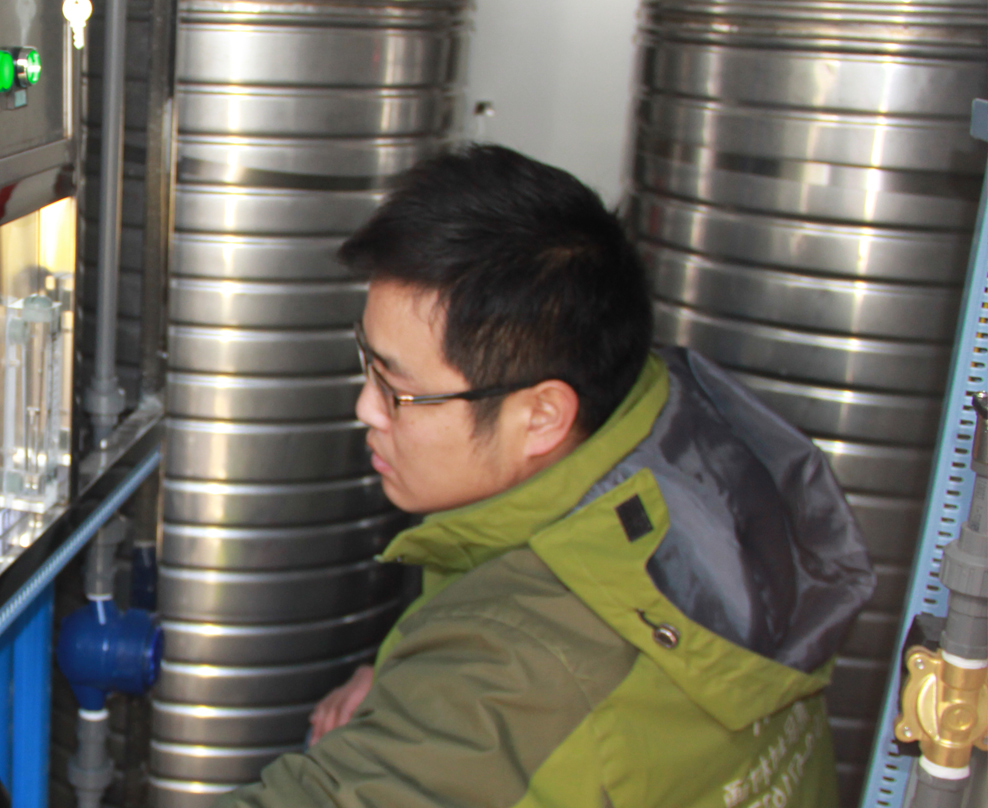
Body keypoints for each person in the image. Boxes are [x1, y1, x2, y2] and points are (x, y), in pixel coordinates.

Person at [219, 145, 875, 808]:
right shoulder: (689, 447)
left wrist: (440, 708)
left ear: (540, 417)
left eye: (397, 390)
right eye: (368, 361)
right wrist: (406, 692)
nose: (366, 408)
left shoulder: (514, 665)